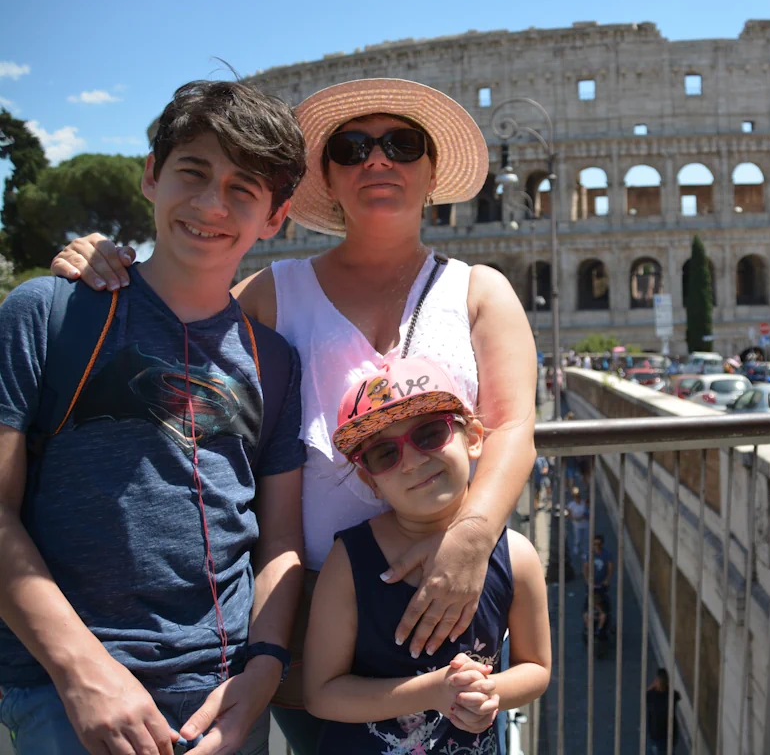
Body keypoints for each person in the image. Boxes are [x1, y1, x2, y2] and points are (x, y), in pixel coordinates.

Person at [50, 77, 537, 753]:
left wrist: (473, 537)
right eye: (352, 147)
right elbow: (177, 315)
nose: (378, 161)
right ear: (327, 179)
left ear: (431, 173)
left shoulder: (482, 292)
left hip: (449, 591)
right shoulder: (271, 294)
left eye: (401, 145)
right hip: (313, 615)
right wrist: (99, 260)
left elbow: (513, 426)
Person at [0, 80, 308, 754]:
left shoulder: (277, 360)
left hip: (222, 701)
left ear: (275, 216)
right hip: (67, 691)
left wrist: (260, 674)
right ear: (150, 176)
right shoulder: (48, 314)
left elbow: (279, 542)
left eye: (242, 190)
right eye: (192, 174)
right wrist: (83, 673)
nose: (209, 205)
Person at [305, 356, 551, 753]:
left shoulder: (516, 556)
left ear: (472, 437)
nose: (414, 461)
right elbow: (320, 694)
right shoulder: (349, 561)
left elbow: (536, 668)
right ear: (371, 481)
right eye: (385, 453)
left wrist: (490, 692)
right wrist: (434, 692)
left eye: (430, 433)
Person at [645, 668, 680, 755]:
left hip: (655, 735)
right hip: (670, 735)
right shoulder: (673, 696)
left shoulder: (651, 696)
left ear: (656, 681)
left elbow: (646, 693)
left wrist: (653, 685)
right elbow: (678, 695)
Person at [566, 487, 590, 569]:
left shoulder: (584, 503)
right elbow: (568, 514)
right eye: (576, 497)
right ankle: (576, 547)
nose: (577, 498)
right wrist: (573, 518)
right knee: (578, 538)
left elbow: (587, 512)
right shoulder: (571, 505)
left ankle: (585, 552)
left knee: (586, 539)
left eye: (578, 497)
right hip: (577, 525)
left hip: (585, 525)